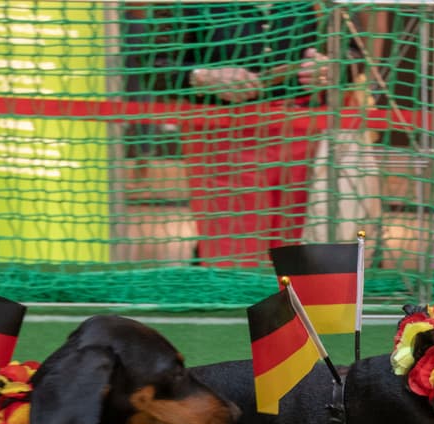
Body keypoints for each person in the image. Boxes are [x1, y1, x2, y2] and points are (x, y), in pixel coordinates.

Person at [124, 2, 332, 267]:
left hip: (300, 136)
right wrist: (203, 76)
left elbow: (353, 55)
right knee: (233, 250)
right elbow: (153, 66)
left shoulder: (317, 5)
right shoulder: (186, 6)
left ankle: (287, 305)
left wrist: (328, 68)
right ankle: (233, 301)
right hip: (223, 138)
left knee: (290, 248)